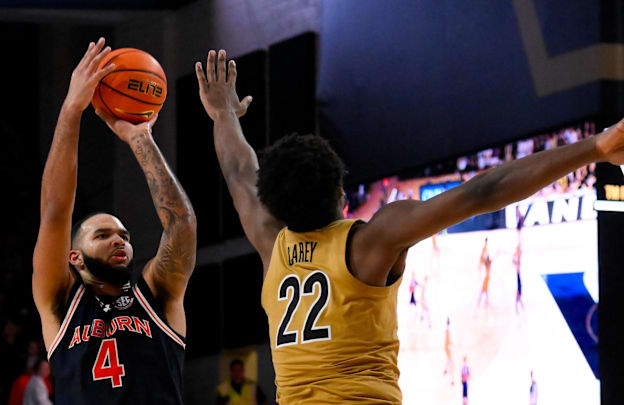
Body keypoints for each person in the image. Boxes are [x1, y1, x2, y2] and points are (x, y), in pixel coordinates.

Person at [195, 48, 624, 404]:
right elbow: (484, 191)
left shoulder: (273, 247)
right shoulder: (368, 242)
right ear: (341, 197)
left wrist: (222, 115)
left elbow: (237, 170)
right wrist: (596, 147)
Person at [32, 38, 197, 405]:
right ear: (74, 256)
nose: (119, 240)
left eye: (123, 235)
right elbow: (55, 210)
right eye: (103, 235)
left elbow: (181, 225)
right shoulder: (60, 302)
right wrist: (72, 109)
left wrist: (141, 139)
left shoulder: (156, 294)